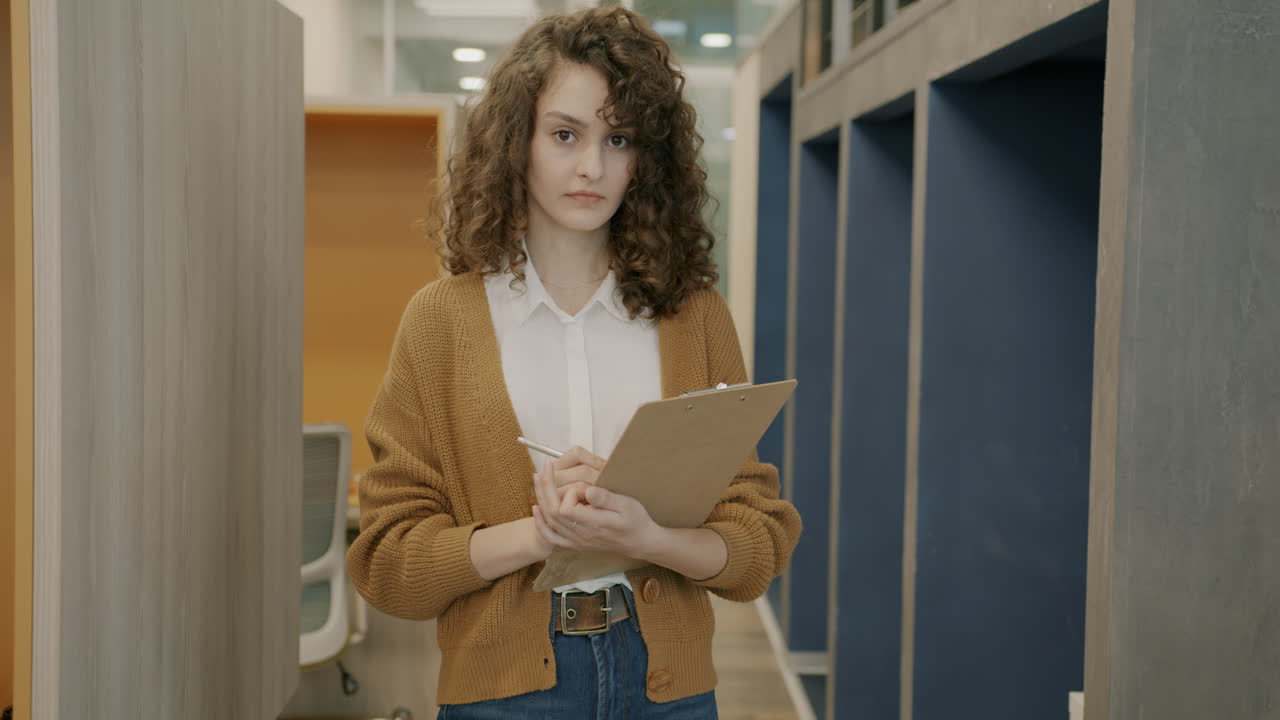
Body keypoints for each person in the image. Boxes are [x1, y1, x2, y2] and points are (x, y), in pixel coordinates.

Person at [346, 7, 801, 718]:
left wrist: (647, 538)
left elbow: (758, 547)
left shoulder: (695, 315)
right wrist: (542, 535)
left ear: (645, 158)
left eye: (618, 138)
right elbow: (388, 565)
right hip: (502, 696)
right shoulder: (441, 322)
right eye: (565, 134)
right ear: (516, 144)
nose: (592, 167)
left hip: (670, 692)